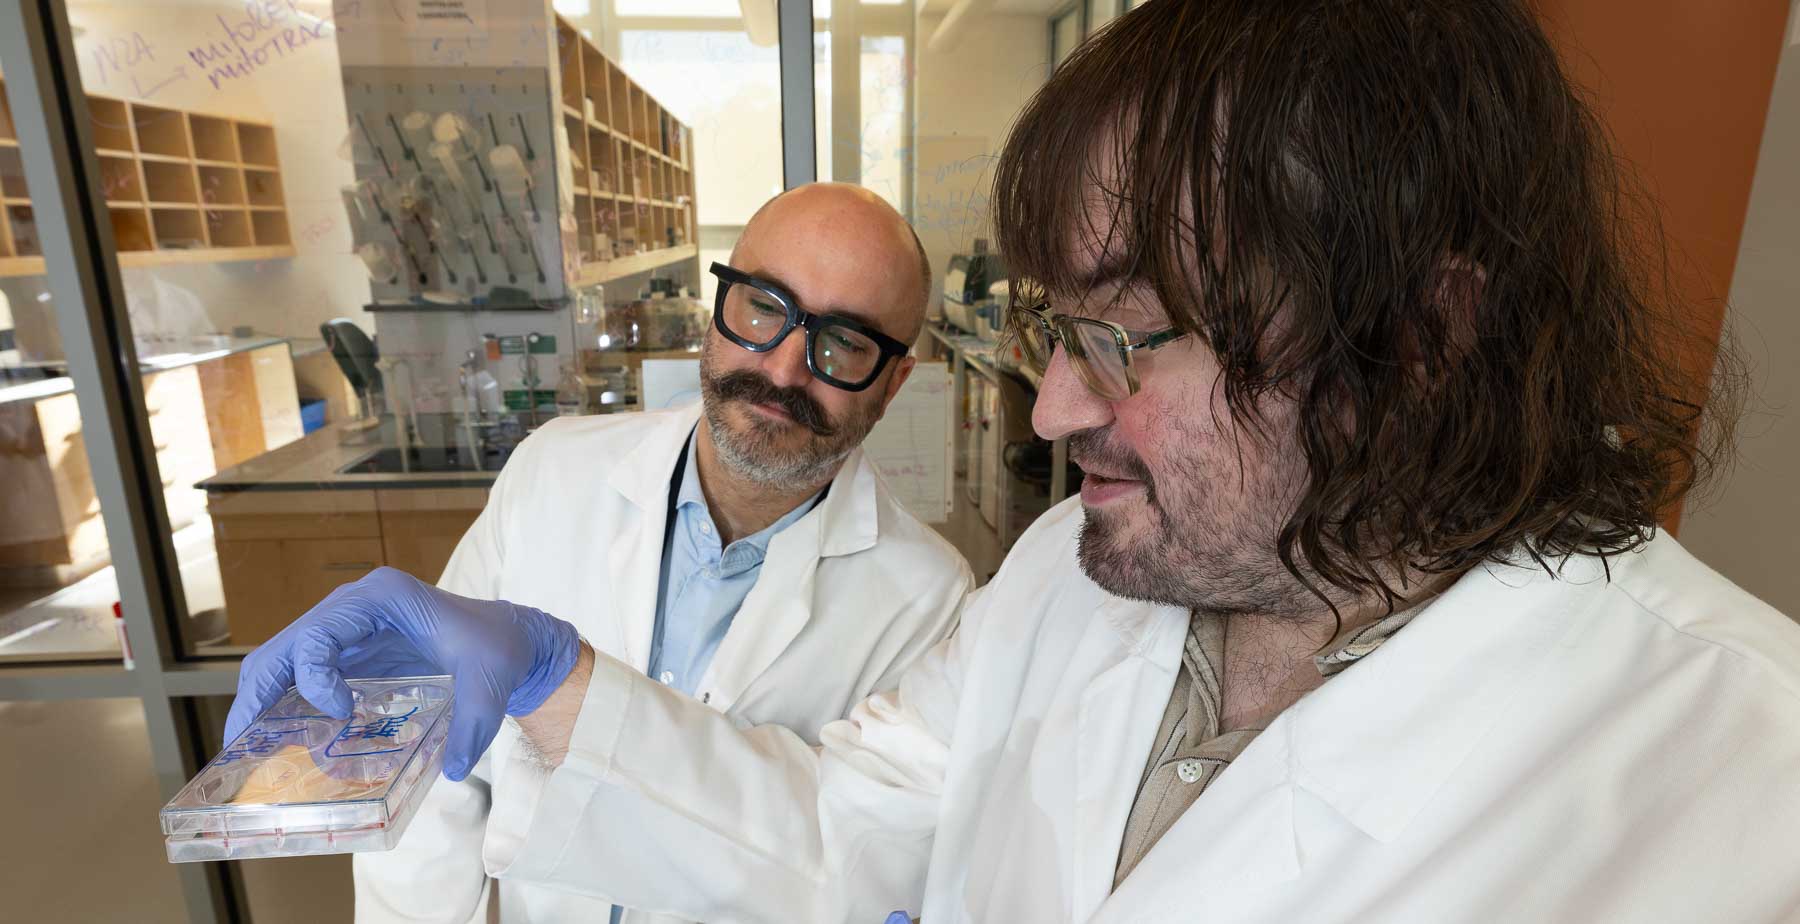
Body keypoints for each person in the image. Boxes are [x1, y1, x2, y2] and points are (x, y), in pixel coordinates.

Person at [230, 1, 1800, 921]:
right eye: (1061, 326)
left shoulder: (1739, 779)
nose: (1050, 410)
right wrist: (542, 677)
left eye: (1129, 334)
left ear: (1419, 339)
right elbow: (842, 834)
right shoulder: (1066, 577)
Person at [228, 182, 974, 923]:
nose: (783, 369)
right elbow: (437, 769)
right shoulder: (553, 472)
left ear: (895, 380)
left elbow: (855, 858)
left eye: (843, 342)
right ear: (720, 306)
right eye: (764, 307)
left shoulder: (928, 596)